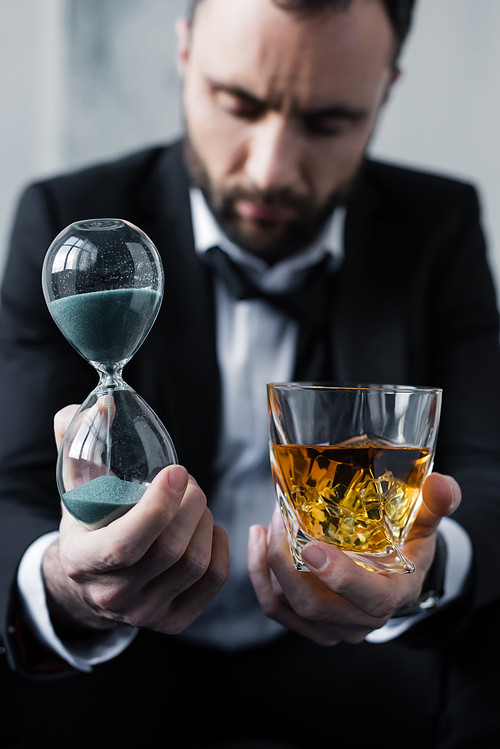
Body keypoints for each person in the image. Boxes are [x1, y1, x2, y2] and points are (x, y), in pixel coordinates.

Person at [1, 0, 500, 746]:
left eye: (328, 122)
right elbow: (14, 486)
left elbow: (488, 474)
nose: (270, 169)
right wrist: (67, 583)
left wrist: (423, 568)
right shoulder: (68, 215)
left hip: (355, 658)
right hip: (126, 659)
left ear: (386, 91)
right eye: (238, 103)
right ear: (184, 53)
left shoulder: (438, 224)